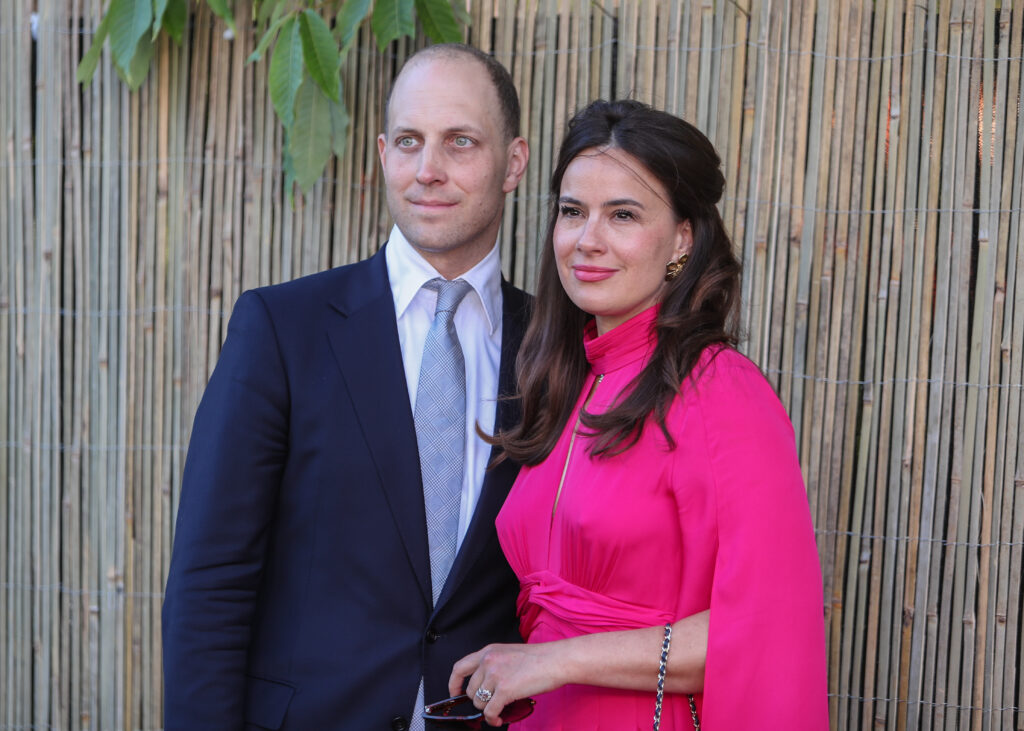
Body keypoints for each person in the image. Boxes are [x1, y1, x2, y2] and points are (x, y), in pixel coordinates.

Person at [162, 43, 531, 731]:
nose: (430, 169)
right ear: (383, 154)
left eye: (460, 142)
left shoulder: (555, 348)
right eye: (411, 142)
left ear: (514, 162)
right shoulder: (282, 329)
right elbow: (210, 581)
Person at [448, 100, 829, 729]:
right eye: (573, 212)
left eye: (623, 214)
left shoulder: (722, 392)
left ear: (683, 238)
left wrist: (557, 660)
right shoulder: (568, 381)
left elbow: (761, 629)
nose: (587, 239)